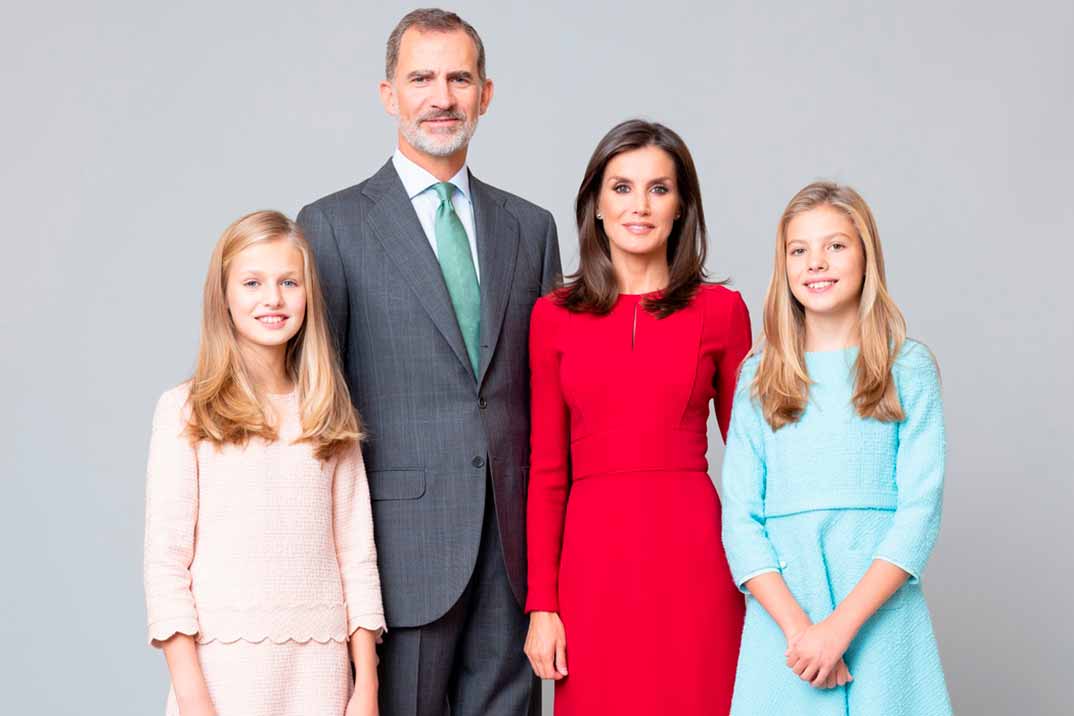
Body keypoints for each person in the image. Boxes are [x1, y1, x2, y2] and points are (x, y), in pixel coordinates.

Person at [296, 9, 561, 716]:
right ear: (389, 94)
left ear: (486, 93)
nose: (441, 97)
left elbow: (545, 399)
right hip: (396, 551)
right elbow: (316, 405)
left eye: (458, 78)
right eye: (421, 78)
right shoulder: (331, 226)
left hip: (512, 553)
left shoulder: (531, 229)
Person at [524, 119, 750, 714]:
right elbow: (547, 472)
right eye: (622, 188)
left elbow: (758, 462)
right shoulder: (552, 317)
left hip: (697, 557)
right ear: (596, 204)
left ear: (681, 206)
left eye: (659, 188)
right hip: (591, 566)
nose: (639, 206)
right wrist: (542, 605)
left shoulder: (722, 312)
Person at [721, 181, 952, 714]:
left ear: (866, 256)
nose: (816, 263)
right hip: (785, 623)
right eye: (798, 250)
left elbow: (919, 514)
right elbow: (740, 520)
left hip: (877, 612)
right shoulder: (759, 376)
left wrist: (839, 629)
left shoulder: (908, 369)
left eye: (836, 246)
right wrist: (802, 633)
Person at [143, 210, 384, 716]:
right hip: (224, 674)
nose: (272, 299)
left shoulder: (328, 413)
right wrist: (192, 695)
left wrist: (366, 685)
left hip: (320, 673)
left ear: (307, 295)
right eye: (252, 282)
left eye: (288, 282)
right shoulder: (186, 411)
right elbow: (166, 564)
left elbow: (356, 557)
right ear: (224, 298)